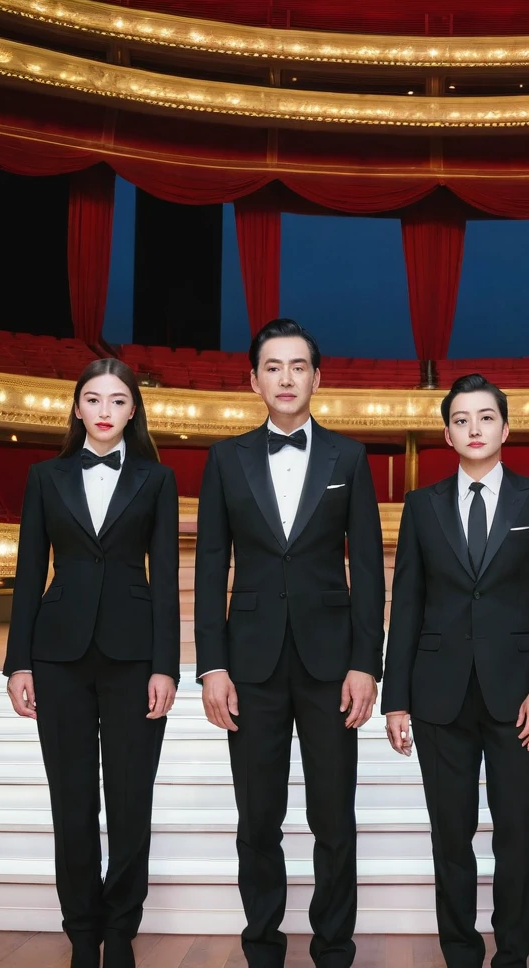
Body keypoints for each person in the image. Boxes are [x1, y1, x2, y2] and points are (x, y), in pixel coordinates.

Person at [194, 317, 385, 968]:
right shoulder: (224, 460)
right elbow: (209, 565)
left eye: (297, 366)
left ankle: (334, 949)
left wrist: (367, 663)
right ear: (253, 380)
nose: (285, 378)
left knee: (334, 820)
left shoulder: (350, 458)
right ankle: (263, 950)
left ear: (317, 378)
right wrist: (211, 666)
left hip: (333, 666)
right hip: (247, 665)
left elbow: (369, 570)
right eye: (272, 367)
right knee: (258, 822)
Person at [381, 373, 529, 968]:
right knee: (451, 836)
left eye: (485, 417)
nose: (474, 428)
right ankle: (460, 953)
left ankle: (513, 952)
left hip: (519, 698)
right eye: (461, 419)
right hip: (438, 696)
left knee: (518, 834)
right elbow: (407, 601)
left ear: (505, 428)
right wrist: (396, 697)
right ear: (446, 433)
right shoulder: (421, 505)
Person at [4, 358, 179, 968]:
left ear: (134, 412)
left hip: (136, 659)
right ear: (77, 408)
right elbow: (29, 573)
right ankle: (82, 932)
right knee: (72, 801)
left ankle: (121, 930)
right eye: (94, 400)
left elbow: (165, 580)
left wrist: (168, 666)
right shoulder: (43, 477)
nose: (105, 411)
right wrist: (16, 663)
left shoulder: (158, 479)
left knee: (132, 801)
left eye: (118, 401)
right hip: (57, 657)